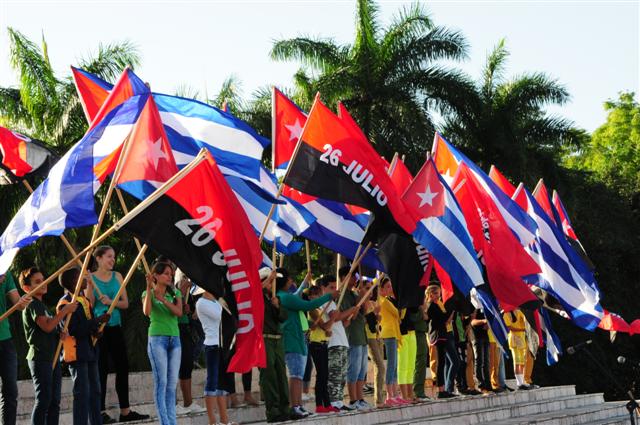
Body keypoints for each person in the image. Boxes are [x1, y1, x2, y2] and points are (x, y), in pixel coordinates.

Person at [90, 246, 149, 423]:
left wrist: (111, 302)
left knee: (122, 367)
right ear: (98, 258)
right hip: (100, 329)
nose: (112, 260)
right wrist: (88, 287)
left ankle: (125, 411)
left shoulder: (117, 276)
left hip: (116, 327)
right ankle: (100, 412)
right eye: (109, 257)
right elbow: (89, 306)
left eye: (113, 257)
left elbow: (125, 303)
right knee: (101, 369)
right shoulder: (91, 279)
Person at [20, 267, 76, 425]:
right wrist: (64, 310)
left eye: (43, 279)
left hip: (52, 357)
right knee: (44, 399)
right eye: (37, 282)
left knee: (54, 401)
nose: (43, 283)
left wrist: (60, 336)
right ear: (26, 288)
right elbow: (47, 326)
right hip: (40, 357)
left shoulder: (42, 306)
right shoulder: (33, 304)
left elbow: (51, 330)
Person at [277, 267, 334, 419]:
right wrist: (328, 297)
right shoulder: (284, 296)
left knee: (299, 375)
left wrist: (304, 282)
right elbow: (307, 305)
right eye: (289, 278)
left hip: (298, 339)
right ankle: (294, 406)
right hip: (293, 339)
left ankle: (298, 405)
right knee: (296, 375)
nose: (291, 281)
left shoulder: (285, 296)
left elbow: (296, 296)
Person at [57, 267, 110, 425]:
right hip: (77, 353)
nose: (87, 279)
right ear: (75, 282)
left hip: (90, 350)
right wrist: (97, 321)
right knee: (82, 393)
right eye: (83, 277)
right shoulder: (66, 304)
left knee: (95, 391)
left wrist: (96, 331)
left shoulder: (84, 300)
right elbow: (75, 330)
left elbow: (88, 324)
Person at [142, 261, 183, 425]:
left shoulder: (175, 293)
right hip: (157, 339)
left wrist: (164, 300)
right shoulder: (148, 293)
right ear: (156, 276)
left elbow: (179, 312)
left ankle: (171, 422)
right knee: (162, 382)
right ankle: (165, 422)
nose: (169, 276)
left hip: (175, 339)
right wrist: (148, 288)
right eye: (166, 273)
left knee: (172, 384)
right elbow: (146, 312)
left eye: (170, 273)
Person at [316, 275, 356, 412]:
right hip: (333, 343)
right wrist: (351, 310)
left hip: (342, 341)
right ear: (323, 288)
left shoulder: (332, 302)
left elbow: (337, 321)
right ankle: (334, 402)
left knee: (342, 374)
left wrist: (345, 321)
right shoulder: (325, 303)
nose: (334, 290)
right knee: (335, 374)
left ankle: (339, 400)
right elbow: (336, 316)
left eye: (335, 287)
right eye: (331, 287)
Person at [195, 285, 232, 425]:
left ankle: (224, 420)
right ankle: (212, 421)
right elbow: (222, 315)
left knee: (221, 384)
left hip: (221, 345)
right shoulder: (201, 302)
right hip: (211, 345)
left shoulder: (217, 301)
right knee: (212, 381)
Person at [258, 267, 290, 423]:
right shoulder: (257, 297)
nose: (272, 285)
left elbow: (284, 317)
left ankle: (285, 409)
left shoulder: (274, 298)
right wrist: (267, 280)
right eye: (270, 281)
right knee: (269, 376)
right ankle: (273, 411)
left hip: (278, 340)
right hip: (265, 340)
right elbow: (255, 291)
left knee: (281, 377)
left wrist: (277, 306)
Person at [338, 266, 372, 411]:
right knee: (354, 370)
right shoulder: (342, 295)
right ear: (344, 277)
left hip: (361, 336)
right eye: (353, 276)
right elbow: (348, 314)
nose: (355, 280)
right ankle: (353, 399)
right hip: (352, 337)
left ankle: (360, 398)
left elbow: (364, 311)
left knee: (361, 371)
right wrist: (356, 304)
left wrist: (362, 295)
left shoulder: (353, 294)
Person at [0, 271, 31, 425]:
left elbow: (18, 304)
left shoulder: (5, 271)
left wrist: (23, 301)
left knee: (10, 391)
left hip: (5, 339)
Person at [173, 270, 206, 415]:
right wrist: (180, 291)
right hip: (173, 329)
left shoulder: (189, 293)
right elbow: (170, 308)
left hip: (185, 329)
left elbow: (190, 310)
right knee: (173, 367)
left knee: (187, 364)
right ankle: (172, 403)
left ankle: (188, 402)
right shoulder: (171, 290)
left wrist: (190, 309)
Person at [307, 282, 336, 414]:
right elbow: (324, 326)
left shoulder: (320, 310)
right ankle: (319, 404)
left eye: (318, 295)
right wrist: (333, 319)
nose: (316, 298)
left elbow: (326, 329)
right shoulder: (312, 309)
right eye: (314, 296)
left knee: (325, 375)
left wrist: (329, 329)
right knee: (322, 375)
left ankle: (327, 403)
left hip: (323, 343)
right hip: (316, 344)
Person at [425, 285, 456, 399]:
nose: (439, 296)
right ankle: (440, 389)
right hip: (437, 335)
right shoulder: (431, 305)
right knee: (440, 363)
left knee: (442, 362)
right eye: (437, 293)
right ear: (431, 294)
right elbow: (443, 319)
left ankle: (443, 389)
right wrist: (451, 313)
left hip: (442, 334)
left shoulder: (438, 304)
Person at [378, 277, 404, 406]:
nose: (390, 289)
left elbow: (400, 315)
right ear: (381, 289)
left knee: (394, 365)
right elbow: (398, 313)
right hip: (389, 333)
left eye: (390, 286)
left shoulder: (387, 300)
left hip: (393, 333)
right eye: (387, 286)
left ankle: (394, 394)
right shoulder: (384, 301)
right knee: (391, 365)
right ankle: (390, 395)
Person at [364, 280, 386, 408]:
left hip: (377, 336)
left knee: (381, 367)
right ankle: (379, 400)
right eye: (367, 288)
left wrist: (377, 316)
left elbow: (376, 321)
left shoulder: (373, 303)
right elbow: (368, 320)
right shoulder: (364, 303)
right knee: (380, 366)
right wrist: (374, 314)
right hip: (369, 337)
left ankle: (380, 398)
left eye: (371, 288)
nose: (370, 290)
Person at [504, 309, 530, 390]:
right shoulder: (506, 314)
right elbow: (510, 327)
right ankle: (519, 383)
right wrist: (522, 329)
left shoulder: (519, 312)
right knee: (516, 362)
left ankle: (522, 381)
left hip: (521, 339)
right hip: (514, 339)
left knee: (522, 362)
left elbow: (526, 321)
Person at [412, 291, 429, 402]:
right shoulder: (414, 306)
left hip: (422, 333)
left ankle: (421, 390)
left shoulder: (421, 307)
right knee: (419, 363)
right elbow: (414, 319)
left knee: (422, 362)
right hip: (416, 334)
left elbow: (426, 318)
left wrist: (423, 310)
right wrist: (421, 310)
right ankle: (417, 391)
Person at [397, 306, 417, 402]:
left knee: (411, 365)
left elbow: (415, 311)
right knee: (403, 365)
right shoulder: (395, 301)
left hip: (412, 332)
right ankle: (404, 395)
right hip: (402, 334)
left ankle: (410, 393)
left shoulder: (409, 300)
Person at [471, 309, 491, 393]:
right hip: (476, 337)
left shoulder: (484, 305)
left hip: (485, 336)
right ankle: (481, 385)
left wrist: (489, 324)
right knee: (479, 361)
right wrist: (483, 321)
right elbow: (472, 321)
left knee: (486, 362)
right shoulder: (473, 305)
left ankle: (488, 385)